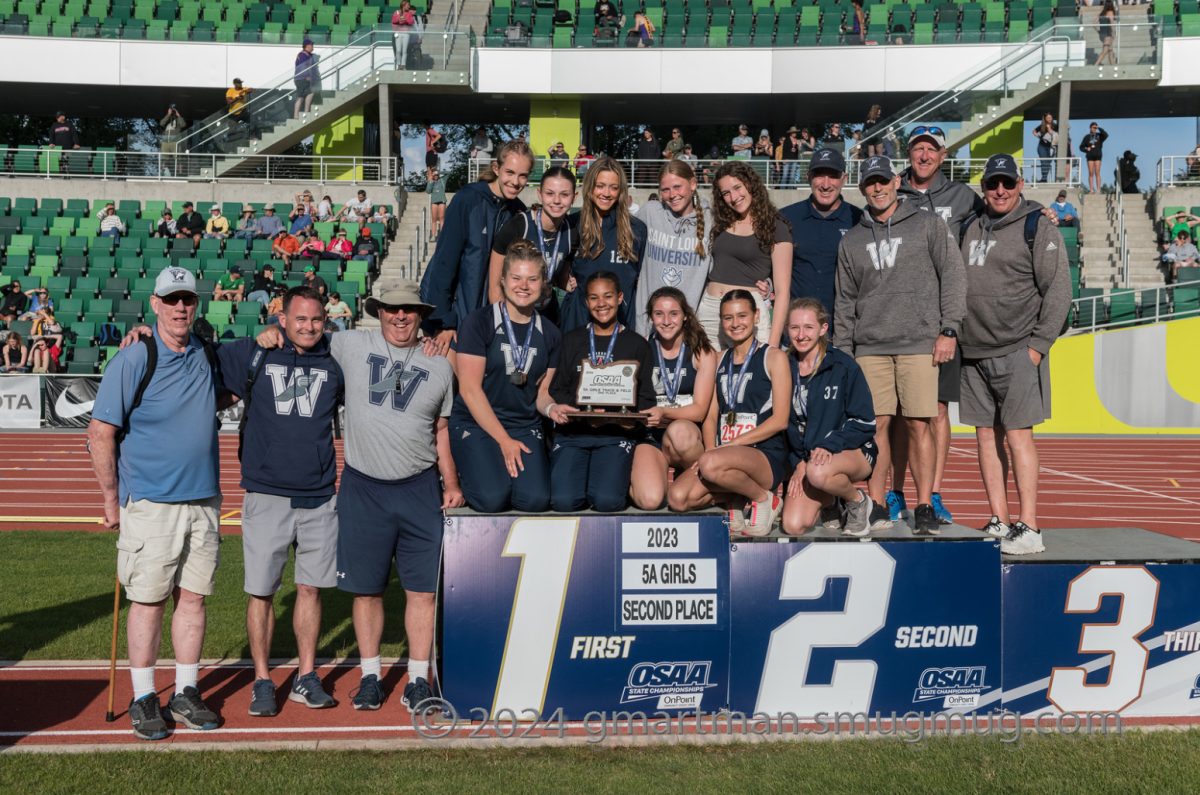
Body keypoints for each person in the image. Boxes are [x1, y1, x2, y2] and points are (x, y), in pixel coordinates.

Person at [257, 279, 464, 714]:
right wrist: (271, 333)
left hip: (419, 486)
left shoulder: (440, 365)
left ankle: (416, 679)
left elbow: (441, 431)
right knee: (366, 591)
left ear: (421, 315)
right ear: (378, 311)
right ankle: (370, 676)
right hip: (363, 486)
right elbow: (304, 332)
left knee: (422, 591)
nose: (400, 316)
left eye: (409, 309)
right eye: (391, 309)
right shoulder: (350, 343)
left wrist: (451, 482)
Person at [88, 266, 225, 741]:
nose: (181, 307)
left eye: (187, 298)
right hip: (150, 502)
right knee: (146, 602)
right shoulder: (134, 357)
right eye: (172, 299)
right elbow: (101, 432)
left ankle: (185, 692)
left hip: (204, 500)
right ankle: (144, 696)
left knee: (193, 599)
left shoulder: (207, 352)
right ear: (155, 303)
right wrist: (111, 499)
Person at [215, 286, 343, 717]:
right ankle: (263, 679)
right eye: (300, 319)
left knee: (309, 588)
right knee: (262, 591)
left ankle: (306, 677)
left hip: (320, 494)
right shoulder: (256, 352)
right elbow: (196, 348)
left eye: (316, 319)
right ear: (282, 318)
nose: (309, 327)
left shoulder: (337, 358)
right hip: (266, 492)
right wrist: (141, 332)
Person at [834, 155, 966, 535]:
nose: (878, 188)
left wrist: (949, 329)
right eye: (870, 183)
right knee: (875, 427)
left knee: (918, 425)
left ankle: (924, 503)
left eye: (883, 180)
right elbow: (844, 300)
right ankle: (876, 504)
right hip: (869, 347)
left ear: (896, 181)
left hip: (918, 342)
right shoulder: (854, 239)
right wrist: (843, 351)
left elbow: (953, 277)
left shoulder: (928, 225)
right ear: (862, 188)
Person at [958, 154, 1071, 555]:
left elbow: (1059, 292)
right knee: (985, 437)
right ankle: (999, 519)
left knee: (1019, 438)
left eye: (1007, 183)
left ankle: (1030, 526)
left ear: (1020, 184)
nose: (1000, 190)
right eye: (993, 184)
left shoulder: (1037, 225)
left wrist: (1038, 348)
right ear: (984, 187)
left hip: (1018, 351)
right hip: (973, 354)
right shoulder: (971, 225)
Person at [892, 126, 985, 526]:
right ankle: (895, 492)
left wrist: (1041, 210)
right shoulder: (893, 191)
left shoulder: (963, 196)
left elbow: (1001, 215)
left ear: (943, 155)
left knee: (937, 411)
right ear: (909, 154)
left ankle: (932, 493)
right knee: (898, 414)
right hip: (900, 313)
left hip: (944, 317)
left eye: (931, 149)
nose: (924, 155)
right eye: (918, 149)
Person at [668, 289, 791, 536]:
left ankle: (765, 499)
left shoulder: (774, 357)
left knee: (711, 465)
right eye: (728, 318)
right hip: (723, 456)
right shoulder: (719, 358)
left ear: (756, 316)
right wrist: (713, 448)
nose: (735, 324)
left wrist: (730, 446)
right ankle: (736, 497)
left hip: (762, 454)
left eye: (742, 316)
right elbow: (711, 415)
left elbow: (780, 421)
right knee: (678, 498)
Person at [452, 241, 561, 511]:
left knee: (535, 500)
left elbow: (542, 393)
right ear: (502, 280)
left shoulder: (551, 333)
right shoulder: (479, 322)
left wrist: (552, 408)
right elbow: (469, 390)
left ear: (543, 283)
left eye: (532, 279)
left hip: (524, 426)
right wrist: (504, 441)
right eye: (516, 278)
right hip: (477, 423)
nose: (523, 286)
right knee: (492, 497)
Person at [547, 271, 657, 512]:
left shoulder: (637, 344)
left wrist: (624, 417)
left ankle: (615, 483)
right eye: (594, 298)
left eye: (607, 296)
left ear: (619, 298)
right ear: (586, 302)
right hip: (574, 434)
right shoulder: (571, 340)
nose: (601, 304)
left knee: (607, 501)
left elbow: (646, 398)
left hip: (615, 435)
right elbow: (558, 389)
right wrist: (583, 409)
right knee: (564, 502)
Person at [420, 139, 534, 353]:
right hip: (455, 318)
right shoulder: (468, 199)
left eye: (523, 175)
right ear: (496, 168)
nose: (515, 181)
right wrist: (444, 321)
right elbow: (444, 263)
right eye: (510, 172)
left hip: (491, 319)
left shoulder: (518, 212)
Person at [780, 298, 877, 537]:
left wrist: (828, 444)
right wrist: (797, 462)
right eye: (794, 328)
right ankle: (831, 501)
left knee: (818, 472)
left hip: (850, 451)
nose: (801, 335)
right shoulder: (783, 366)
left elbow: (865, 423)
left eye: (809, 327)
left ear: (823, 329)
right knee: (793, 525)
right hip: (808, 458)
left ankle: (857, 501)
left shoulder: (843, 366)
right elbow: (784, 426)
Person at [629, 287, 718, 509]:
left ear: (685, 316)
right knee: (649, 501)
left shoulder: (701, 352)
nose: (666, 320)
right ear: (651, 317)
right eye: (659, 314)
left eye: (674, 313)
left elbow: (699, 410)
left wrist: (664, 412)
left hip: (685, 436)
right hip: (651, 436)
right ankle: (642, 478)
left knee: (679, 433)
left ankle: (689, 481)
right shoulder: (640, 349)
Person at [703, 160, 793, 348]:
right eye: (726, 193)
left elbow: (783, 292)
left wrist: (773, 345)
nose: (733, 197)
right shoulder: (717, 223)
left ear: (750, 184)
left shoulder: (776, 227)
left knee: (752, 374)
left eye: (737, 187)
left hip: (750, 314)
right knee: (708, 375)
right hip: (710, 312)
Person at [559, 156, 648, 332]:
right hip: (579, 322)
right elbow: (554, 265)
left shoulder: (636, 230)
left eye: (613, 187)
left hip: (621, 325)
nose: (606, 193)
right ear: (590, 187)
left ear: (621, 190)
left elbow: (640, 279)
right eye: (600, 186)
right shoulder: (572, 224)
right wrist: (563, 281)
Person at [780, 148, 862, 331]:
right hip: (795, 332)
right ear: (809, 177)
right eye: (819, 175)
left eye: (833, 176)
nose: (826, 184)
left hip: (843, 332)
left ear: (844, 178)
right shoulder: (786, 217)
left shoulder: (858, 219)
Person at [633, 159, 714, 336]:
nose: (672, 194)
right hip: (647, 327)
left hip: (688, 328)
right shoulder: (650, 212)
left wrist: (765, 284)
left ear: (693, 184)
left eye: (678, 187)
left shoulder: (711, 221)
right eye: (665, 190)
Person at [487, 166, 578, 323]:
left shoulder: (571, 232)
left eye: (564, 195)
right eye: (550, 193)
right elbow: (495, 286)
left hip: (547, 315)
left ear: (574, 197)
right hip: (513, 314)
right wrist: (503, 323)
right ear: (539, 194)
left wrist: (569, 283)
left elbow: (557, 275)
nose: (557, 200)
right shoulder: (518, 227)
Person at [1080, 122, 1109, 193]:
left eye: (1095, 127)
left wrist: (1099, 128)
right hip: (1090, 156)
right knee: (1090, 173)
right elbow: (1081, 147)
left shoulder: (1100, 135)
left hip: (1098, 156)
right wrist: (1086, 149)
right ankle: (1091, 190)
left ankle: (1098, 190)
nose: (1094, 129)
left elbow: (1106, 135)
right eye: (1093, 127)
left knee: (1097, 172)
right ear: (1090, 128)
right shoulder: (1087, 137)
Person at [294, 39, 317, 118]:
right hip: (302, 79)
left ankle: (306, 112)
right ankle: (296, 115)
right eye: (311, 45)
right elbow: (303, 67)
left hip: (304, 79)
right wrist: (307, 76)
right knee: (300, 97)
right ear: (307, 46)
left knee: (310, 92)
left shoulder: (308, 55)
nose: (313, 46)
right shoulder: (303, 55)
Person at [160, 105, 186, 175]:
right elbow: (161, 123)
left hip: (175, 141)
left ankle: (180, 174)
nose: (173, 113)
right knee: (164, 159)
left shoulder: (178, 120)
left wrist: (178, 115)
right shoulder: (167, 119)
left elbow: (183, 125)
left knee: (178, 159)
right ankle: (162, 173)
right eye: (172, 111)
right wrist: (168, 114)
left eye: (173, 111)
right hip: (165, 141)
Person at [1033, 113, 1058, 183]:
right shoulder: (1042, 126)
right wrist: (1039, 136)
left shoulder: (1056, 126)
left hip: (1051, 147)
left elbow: (1055, 135)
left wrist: (1049, 128)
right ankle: (1044, 179)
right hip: (1042, 146)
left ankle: (1044, 178)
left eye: (1051, 117)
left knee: (1048, 163)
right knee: (1044, 162)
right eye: (1048, 117)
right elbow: (1034, 131)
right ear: (1045, 119)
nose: (1050, 119)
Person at [393, 1, 418, 70]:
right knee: (398, 50)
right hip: (398, 33)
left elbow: (411, 22)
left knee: (404, 50)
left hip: (406, 33)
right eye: (408, 5)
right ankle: (398, 64)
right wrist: (399, 19)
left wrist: (404, 20)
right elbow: (394, 21)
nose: (409, 7)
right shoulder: (397, 12)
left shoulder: (409, 14)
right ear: (403, 5)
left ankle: (403, 65)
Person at [426, 168, 447, 241]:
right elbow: (428, 191)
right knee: (434, 219)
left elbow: (448, 173)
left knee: (441, 218)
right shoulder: (431, 181)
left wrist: (439, 171)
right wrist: (430, 181)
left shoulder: (442, 180)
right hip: (434, 202)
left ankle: (442, 236)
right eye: (434, 174)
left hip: (442, 201)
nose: (435, 176)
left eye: (436, 174)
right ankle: (433, 236)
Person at [1096, 1, 1117, 66]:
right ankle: (1095, 65)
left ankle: (1113, 67)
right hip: (1108, 34)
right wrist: (1113, 34)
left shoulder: (1102, 13)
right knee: (1105, 51)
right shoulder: (1110, 12)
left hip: (1102, 34)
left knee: (1110, 51)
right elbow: (1112, 24)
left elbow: (1093, 23)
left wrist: (1098, 31)